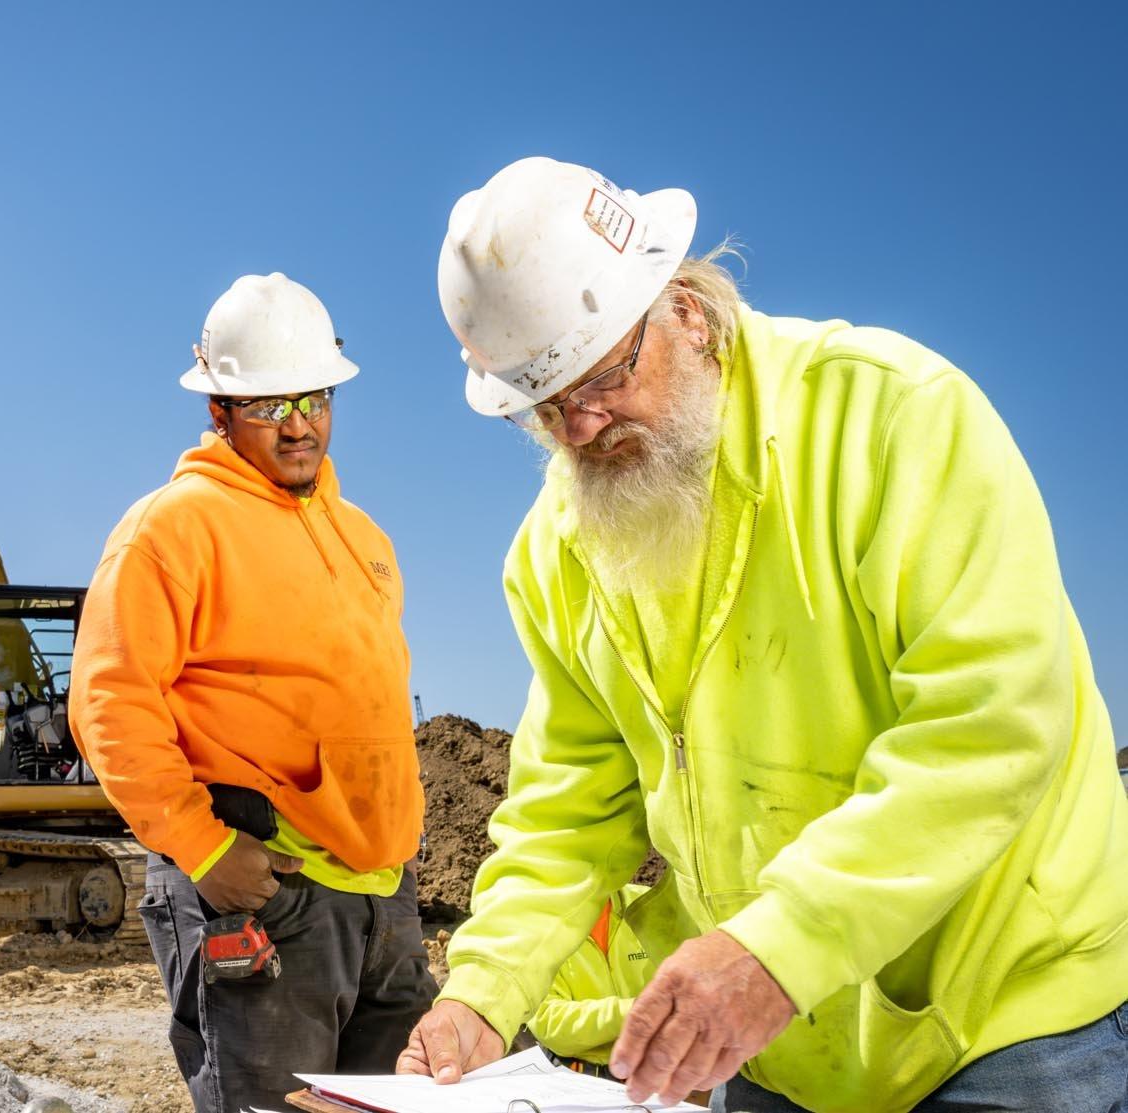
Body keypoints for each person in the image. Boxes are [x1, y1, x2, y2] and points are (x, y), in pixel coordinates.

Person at [396, 157, 1128, 1112]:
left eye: (605, 373)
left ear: (687, 310)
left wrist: (775, 950)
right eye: (544, 403)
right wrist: (483, 995)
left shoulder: (895, 420)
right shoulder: (559, 553)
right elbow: (568, 810)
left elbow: (992, 724)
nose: (582, 426)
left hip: (1003, 1020)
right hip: (784, 1045)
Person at [70, 273, 434, 1113]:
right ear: (220, 411)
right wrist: (200, 847)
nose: (299, 423)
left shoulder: (363, 535)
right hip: (271, 897)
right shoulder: (174, 526)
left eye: (314, 397)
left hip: (385, 900)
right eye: (271, 404)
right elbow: (109, 701)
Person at [527, 883, 656, 1077]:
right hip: (579, 1082)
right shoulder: (532, 926)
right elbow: (549, 1023)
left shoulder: (651, 903)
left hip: (659, 1073)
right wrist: (638, 1011)